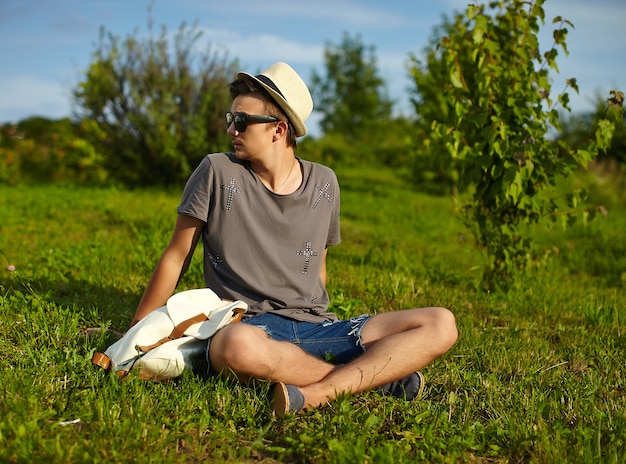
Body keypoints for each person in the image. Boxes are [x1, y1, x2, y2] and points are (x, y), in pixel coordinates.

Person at [130, 62, 458, 416]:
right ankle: (373, 380)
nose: (230, 129)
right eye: (230, 118)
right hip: (248, 327)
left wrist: (319, 320)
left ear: (278, 130)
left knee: (441, 322)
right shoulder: (216, 172)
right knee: (234, 347)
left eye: (240, 121)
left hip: (320, 328)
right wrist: (136, 333)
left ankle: (317, 392)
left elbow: (318, 267)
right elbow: (177, 256)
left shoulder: (324, 183)